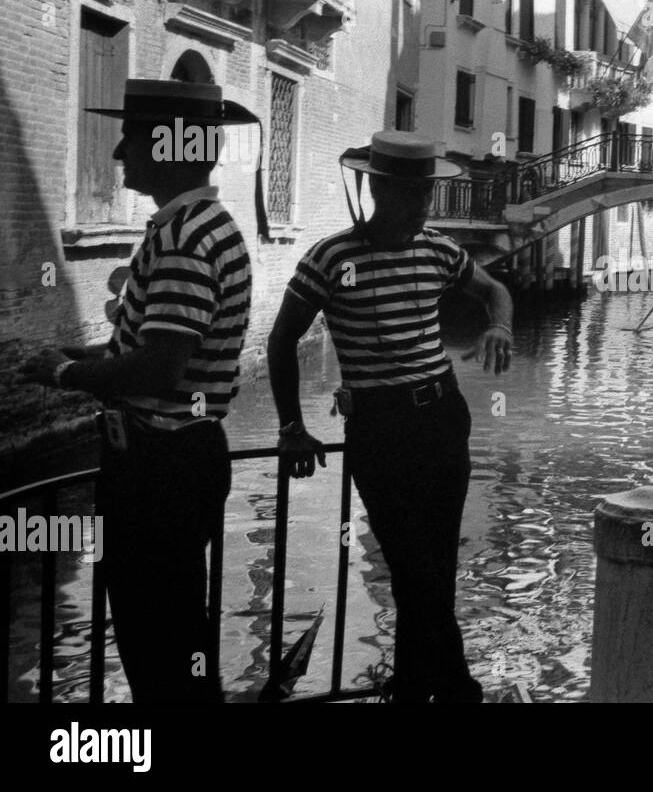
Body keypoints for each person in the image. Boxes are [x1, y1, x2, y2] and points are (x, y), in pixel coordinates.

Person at [17, 78, 258, 702]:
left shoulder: (183, 238)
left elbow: (159, 370)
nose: (121, 152)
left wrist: (66, 376)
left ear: (168, 147)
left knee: (158, 641)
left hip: (160, 464)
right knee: (174, 630)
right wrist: (77, 354)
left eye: (131, 138)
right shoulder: (204, 225)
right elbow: (150, 346)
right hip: (179, 457)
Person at [267, 130, 513, 704]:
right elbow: (281, 342)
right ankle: (456, 689)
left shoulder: (438, 250)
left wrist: (498, 325)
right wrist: (290, 427)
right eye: (410, 194)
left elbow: (494, 290)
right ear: (378, 188)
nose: (422, 206)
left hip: (443, 419)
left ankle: (410, 687)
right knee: (412, 568)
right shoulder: (330, 258)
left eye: (425, 194)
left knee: (435, 567)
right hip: (379, 431)